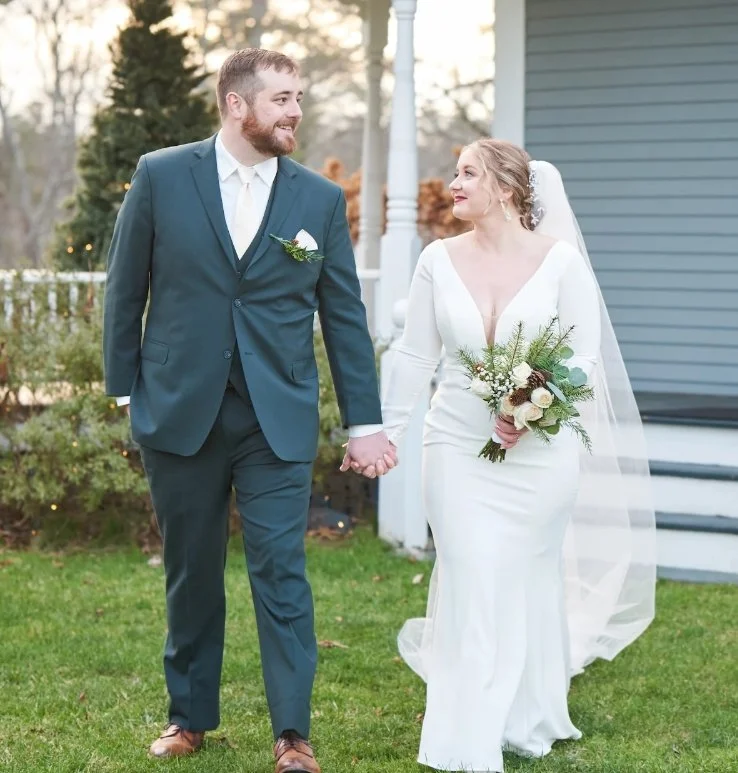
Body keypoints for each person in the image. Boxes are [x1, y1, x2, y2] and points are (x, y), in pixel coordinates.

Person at [103, 48, 395, 772]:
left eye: (299, 98)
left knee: (281, 570)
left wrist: (366, 421)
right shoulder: (162, 175)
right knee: (191, 570)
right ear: (238, 105)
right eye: (283, 99)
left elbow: (346, 319)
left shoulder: (318, 202)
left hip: (276, 418)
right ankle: (189, 717)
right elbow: (124, 286)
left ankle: (292, 734)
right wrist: (123, 389)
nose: (296, 110)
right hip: (178, 411)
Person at [380, 138, 656, 772]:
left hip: (542, 457)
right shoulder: (436, 259)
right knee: (472, 574)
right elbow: (417, 355)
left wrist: (533, 407)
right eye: (455, 173)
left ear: (506, 189)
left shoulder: (562, 264)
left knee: (526, 578)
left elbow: (585, 361)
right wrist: (387, 432)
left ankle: (527, 713)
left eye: (469, 173)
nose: (454, 183)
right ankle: (464, 740)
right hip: (453, 445)